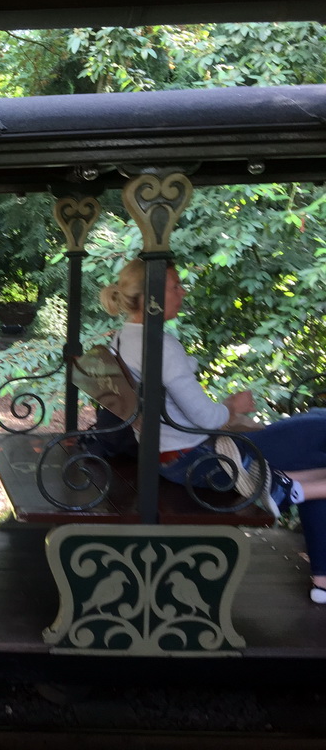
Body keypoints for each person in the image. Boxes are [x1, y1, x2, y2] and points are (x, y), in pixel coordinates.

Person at [100, 258, 326, 604]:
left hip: (172, 458)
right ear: (152, 298)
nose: (183, 291)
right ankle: (287, 499)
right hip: (205, 461)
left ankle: (317, 567)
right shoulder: (160, 345)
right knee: (320, 426)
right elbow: (207, 418)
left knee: (317, 440)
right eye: (175, 286)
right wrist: (234, 406)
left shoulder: (124, 339)